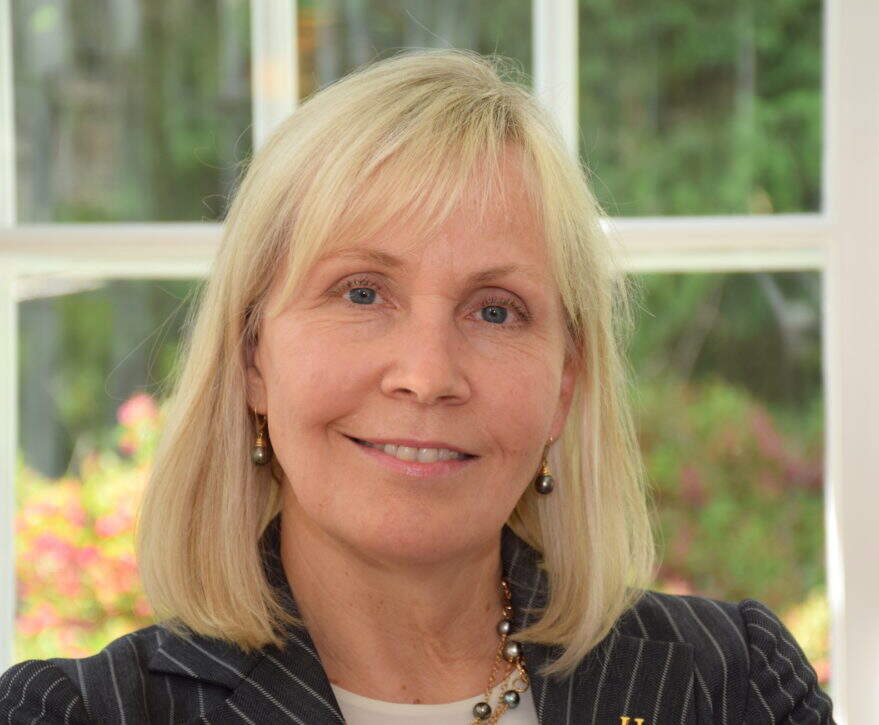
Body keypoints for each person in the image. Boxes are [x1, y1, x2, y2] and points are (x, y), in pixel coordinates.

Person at [0, 48, 833, 724]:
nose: (428, 375)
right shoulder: (77, 713)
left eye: (497, 311)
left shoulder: (735, 686)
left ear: (565, 382)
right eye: (361, 292)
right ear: (254, 354)